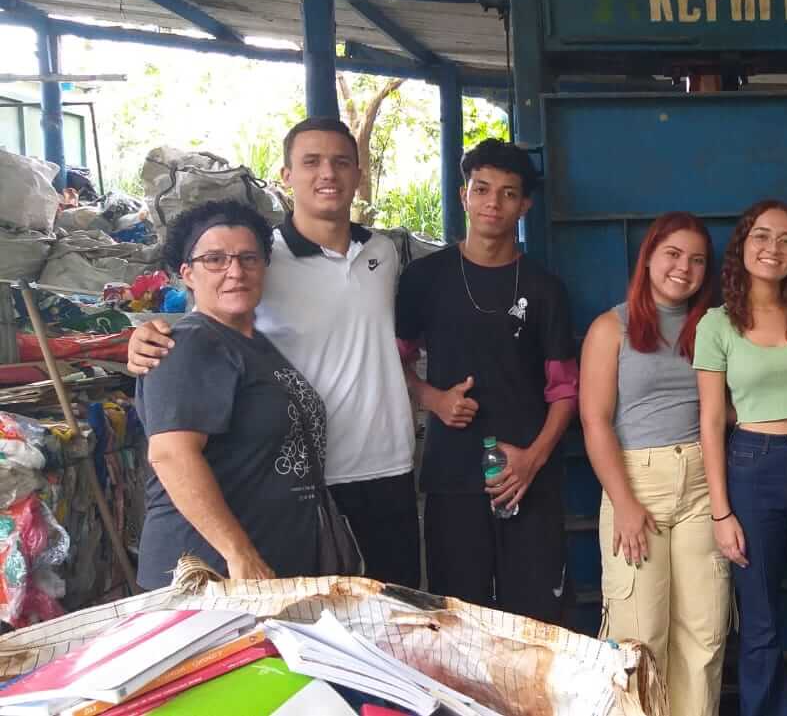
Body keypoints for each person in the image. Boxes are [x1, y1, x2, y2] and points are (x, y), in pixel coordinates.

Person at [127, 117, 421, 588]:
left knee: (387, 607)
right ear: (286, 176)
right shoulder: (266, 254)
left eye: (341, 162)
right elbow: (204, 320)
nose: (235, 270)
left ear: (358, 173)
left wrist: (428, 393)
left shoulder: (381, 253)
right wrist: (146, 339)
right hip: (305, 476)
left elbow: (383, 343)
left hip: (385, 462)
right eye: (310, 162)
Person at [396, 139, 578, 622]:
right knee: (457, 620)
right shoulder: (424, 278)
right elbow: (395, 361)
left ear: (525, 205)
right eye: (482, 190)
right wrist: (432, 398)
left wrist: (532, 461)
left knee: (536, 621)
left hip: (528, 481)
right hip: (452, 476)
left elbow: (565, 389)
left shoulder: (544, 288)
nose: (493, 203)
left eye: (508, 193)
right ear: (463, 196)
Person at [694, 200, 787, 716]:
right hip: (751, 469)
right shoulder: (717, 325)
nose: (772, 249)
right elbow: (712, 422)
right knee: (760, 621)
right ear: (742, 245)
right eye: (762, 236)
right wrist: (721, 512)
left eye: (786, 240)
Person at [578, 212, 729, 716]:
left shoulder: (712, 327)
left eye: (697, 260)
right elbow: (595, 421)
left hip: (704, 483)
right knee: (638, 639)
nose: (683, 268)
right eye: (673, 254)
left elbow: (724, 407)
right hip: (636, 483)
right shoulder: (610, 327)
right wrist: (623, 502)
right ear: (649, 257)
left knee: (704, 633)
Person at [135, 200, 323, 588]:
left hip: (263, 568)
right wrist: (239, 554)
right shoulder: (188, 343)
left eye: (248, 258)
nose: (235, 271)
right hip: (211, 575)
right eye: (215, 259)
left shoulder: (256, 345)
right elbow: (171, 454)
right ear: (187, 273)